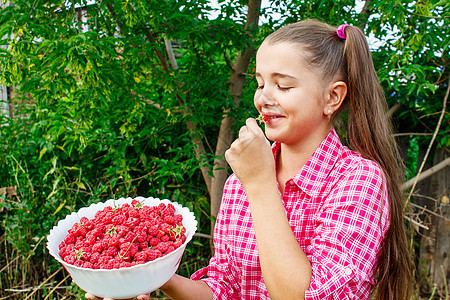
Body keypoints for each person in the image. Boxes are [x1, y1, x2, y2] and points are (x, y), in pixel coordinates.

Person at [86, 19, 412, 300]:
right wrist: (152, 274)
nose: (263, 98)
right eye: (259, 83)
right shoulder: (239, 184)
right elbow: (225, 288)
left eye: (282, 86)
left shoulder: (357, 181)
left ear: (332, 97)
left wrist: (260, 183)